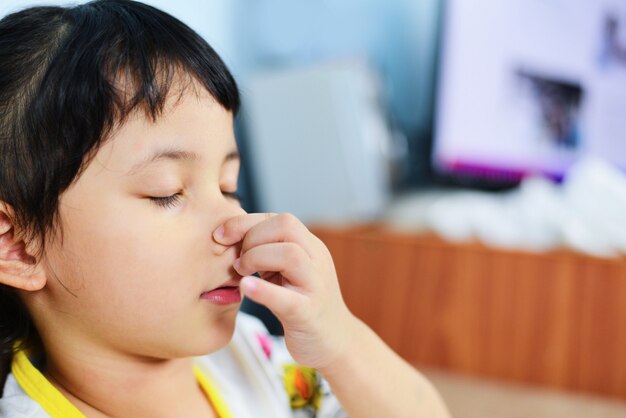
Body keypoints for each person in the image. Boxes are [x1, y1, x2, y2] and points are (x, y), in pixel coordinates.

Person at [0, 1, 451, 417]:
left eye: (228, 186)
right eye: (167, 192)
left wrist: (340, 342)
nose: (234, 222)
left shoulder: (250, 355)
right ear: (17, 245)